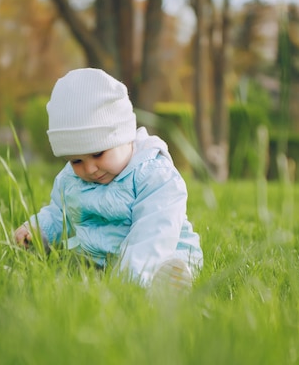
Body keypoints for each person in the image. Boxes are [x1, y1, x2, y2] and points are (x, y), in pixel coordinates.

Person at [14, 68, 203, 290]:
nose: (90, 168)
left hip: (161, 250)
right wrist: (37, 230)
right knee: (75, 268)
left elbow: (154, 232)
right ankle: (104, 273)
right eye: (76, 161)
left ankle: (164, 282)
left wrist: (129, 280)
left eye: (98, 154)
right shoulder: (70, 178)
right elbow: (59, 212)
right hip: (103, 257)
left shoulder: (153, 176)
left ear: (125, 136)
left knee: (163, 265)